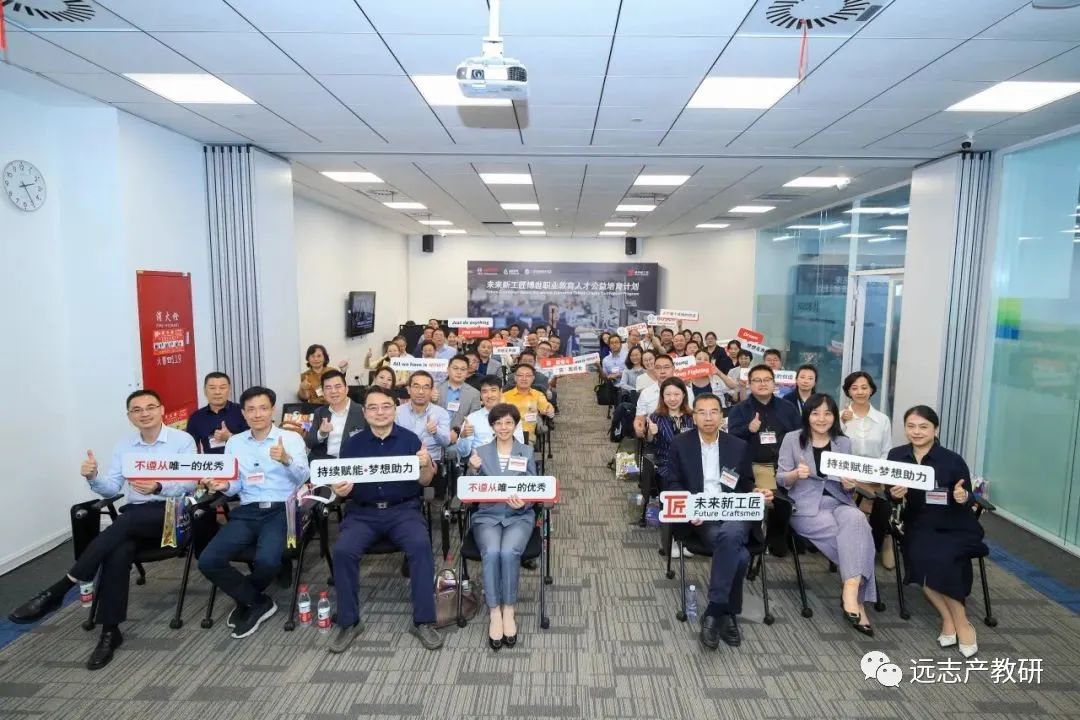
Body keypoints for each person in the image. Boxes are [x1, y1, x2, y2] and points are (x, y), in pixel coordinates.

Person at [8, 390, 195, 669]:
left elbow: (191, 484)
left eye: (150, 407)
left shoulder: (182, 441)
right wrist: (94, 477)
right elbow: (112, 488)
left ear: (162, 409)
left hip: (171, 516)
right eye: (137, 409)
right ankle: (110, 631)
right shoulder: (125, 446)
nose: (144, 413)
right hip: (135, 518)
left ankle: (62, 587)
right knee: (117, 551)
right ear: (129, 416)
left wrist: (159, 486)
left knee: (123, 523)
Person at [328, 386, 442, 653]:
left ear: (394, 409)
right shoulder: (353, 444)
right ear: (365, 413)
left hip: (403, 511)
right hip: (363, 513)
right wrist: (338, 489)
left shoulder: (410, 439)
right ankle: (349, 622)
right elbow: (341, 483)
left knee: (420, 546)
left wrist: (426, 464)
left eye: (386, 406)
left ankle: (424, 621)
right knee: (343, 551)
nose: (380, 412)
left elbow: (425, 482)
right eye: (373, 407)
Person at [198, 386, 310, 639]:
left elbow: (304, 477)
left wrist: (286, 460)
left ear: (272, 410)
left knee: (268, 561)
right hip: (247, 510)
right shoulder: (235, 442)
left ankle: (246, 598)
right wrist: (223, 486)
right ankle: (258, 602)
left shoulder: (291, 439)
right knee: (208, 560)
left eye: (263, 408)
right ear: (244, 414)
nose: (257, 414)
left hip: (281, 509)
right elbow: (235, 484)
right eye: (251, 409)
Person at [666, 393, 772, 650]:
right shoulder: (680, 444)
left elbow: (745, 482)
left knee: (733, 533)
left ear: (722, 416)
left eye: (714, 412)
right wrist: (690, 507)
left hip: (734, 511)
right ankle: (728, 612)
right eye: (702, 412)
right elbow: (671, 482)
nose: (708, 417)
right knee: (740, 556)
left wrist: (757, 491)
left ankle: (714, 610)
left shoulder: (737, 445)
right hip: (703, 515)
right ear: (694, 417)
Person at [888, 405, 986, 658]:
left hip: (955, 522)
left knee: (942, 560)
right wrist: (895, 495)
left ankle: (961, 623)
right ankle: (949, 618)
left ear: (935, 429)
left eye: (924, 427)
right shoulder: (897, 456)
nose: (917, 432)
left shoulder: (952, 460)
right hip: (919, 523)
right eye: (911, 426)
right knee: (921, 559)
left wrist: (962, 496)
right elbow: (891, 496)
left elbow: (968, 496)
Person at [776, 394, 877, 636]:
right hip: (807, 506)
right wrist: (794, 475)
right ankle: (857, 601)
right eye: (816, 413)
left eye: (828, 413)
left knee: (858, 520)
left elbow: (848, 487)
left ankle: (850, 589)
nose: (822, 419)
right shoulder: (792, 439)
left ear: (835, 417)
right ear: (807, 416)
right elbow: (780, 478)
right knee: (857, 542)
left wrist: (850, 485)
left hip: (839, 501)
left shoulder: (843, 443)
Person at [465, 403, 536, 651]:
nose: (503, 427)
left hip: (519, 515)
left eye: (508, 422)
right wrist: (473, 469)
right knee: (492, 552)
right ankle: (494, 610)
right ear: (492, 426)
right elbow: (470, 490)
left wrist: (524, 502)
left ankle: (509, 608)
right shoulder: (481, 452)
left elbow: (534, 486)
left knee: (508, 552)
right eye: (498, 423)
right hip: (488, 514)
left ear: (515, 425)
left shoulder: (526, 451)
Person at [726, 365, 801, 555]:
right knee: (773, 499)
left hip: (785, 466)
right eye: (757, 380)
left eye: (767, 380)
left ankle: (778, 536)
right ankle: (759, 537)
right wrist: (748, 429)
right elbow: (730, 439)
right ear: (749, 384)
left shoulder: (788, 408)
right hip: (753, 467)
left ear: (774, 383)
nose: (762, 384)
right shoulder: (740, 410)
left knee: (788, 500)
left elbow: (800, 437)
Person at [840, 371, 895, 569]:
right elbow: (835, 448)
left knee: (883, 506)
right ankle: (858, 548)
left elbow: (886, 451)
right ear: (848, 391)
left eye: (864, 387)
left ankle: (883, 539)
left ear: (871, 390)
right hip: (848, 477)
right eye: (854, 388)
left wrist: (876, 474)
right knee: (856, 511)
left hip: (875, 477)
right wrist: (842, 423)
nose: (860, 392)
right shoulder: (840, 417)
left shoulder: (882, 419)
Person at [644, 378, 695, 557]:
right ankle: (670, 539)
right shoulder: (656, 417)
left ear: (684, 395)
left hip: (690, 465)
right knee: (671, 495)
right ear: (662, 397)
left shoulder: (692, 416)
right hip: (666, 464)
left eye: (676, 394)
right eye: (668, 395)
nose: (672, 399)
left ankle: (686, 539)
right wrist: (651, 434)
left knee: (692, 497)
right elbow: (650, 444)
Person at [395, 371, 452, 476]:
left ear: (431, 390)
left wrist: (436, 431)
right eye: (416, 386)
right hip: (403, 462)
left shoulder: (441, 413)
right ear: (408, 389)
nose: (421, 391)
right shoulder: (397, 412)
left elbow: (446, 442)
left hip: (432, 462)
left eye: (426, 387)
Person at [454, 377, 525, 455]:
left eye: (493, 390)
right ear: (481, 395)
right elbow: (463, 453)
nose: (489, 395)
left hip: (507, 459)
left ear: (501, 392)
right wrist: (464, 437)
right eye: (485, 391)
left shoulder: (512, 416)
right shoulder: (472, 419)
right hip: (480, 460)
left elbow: (520, 446)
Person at [305, 370, 367, 459]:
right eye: (328, 388)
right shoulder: (320, 412)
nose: (333, 391)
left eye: (338, 386)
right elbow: (309, 442)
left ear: (346, 389)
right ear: (323, 392)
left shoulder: (362, 411)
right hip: (324, 462)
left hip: (352, 461)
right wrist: (321, 434)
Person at [187, 371, 248, 454]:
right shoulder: (196, 417)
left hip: (240, 460)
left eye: (222, 388)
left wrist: (230, 437)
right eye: (212, 388)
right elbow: (190, 448)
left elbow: (255, 443)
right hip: (211, 462)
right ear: (205, 391)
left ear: (229, 390)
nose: (217, 392)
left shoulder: (243, 412)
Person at [502, 364, 555, 440]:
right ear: (515, 378)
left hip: (527, 437)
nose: (524, 378)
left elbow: (546, 407)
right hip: (506, 435)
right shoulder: (505, 396)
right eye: (520, 375)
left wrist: (549, 410)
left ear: (533, 378)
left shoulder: (538, 395)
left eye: (528, 376)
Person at [436, 355, 482, 434]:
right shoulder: (436, 389)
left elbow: (473, 420)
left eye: (463, 369)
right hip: (434, 434)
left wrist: (458, 433)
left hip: (460, 437)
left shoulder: (474, 394)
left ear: (467, 372)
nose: (459, 372)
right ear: (448, 370)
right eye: (455, 368)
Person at [634, 354, 676, 437]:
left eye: (666, 367)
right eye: (658, 368)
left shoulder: (686, 390)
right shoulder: (646, 393)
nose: (662, 371)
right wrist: (638, 426)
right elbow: (640, 417)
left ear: (673, 368)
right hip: (655, 437)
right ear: (654, 370)